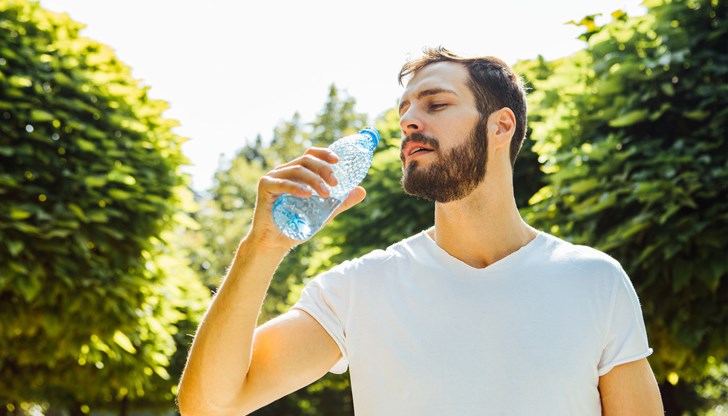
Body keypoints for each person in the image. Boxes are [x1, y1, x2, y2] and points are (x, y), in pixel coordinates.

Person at [178, 47, 664, 415]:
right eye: (405, 111)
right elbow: (209, 406)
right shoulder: (358, 288)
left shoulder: (594, 280)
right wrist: (261, 247)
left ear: (501, 126)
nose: (409, 121)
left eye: (435, 104)